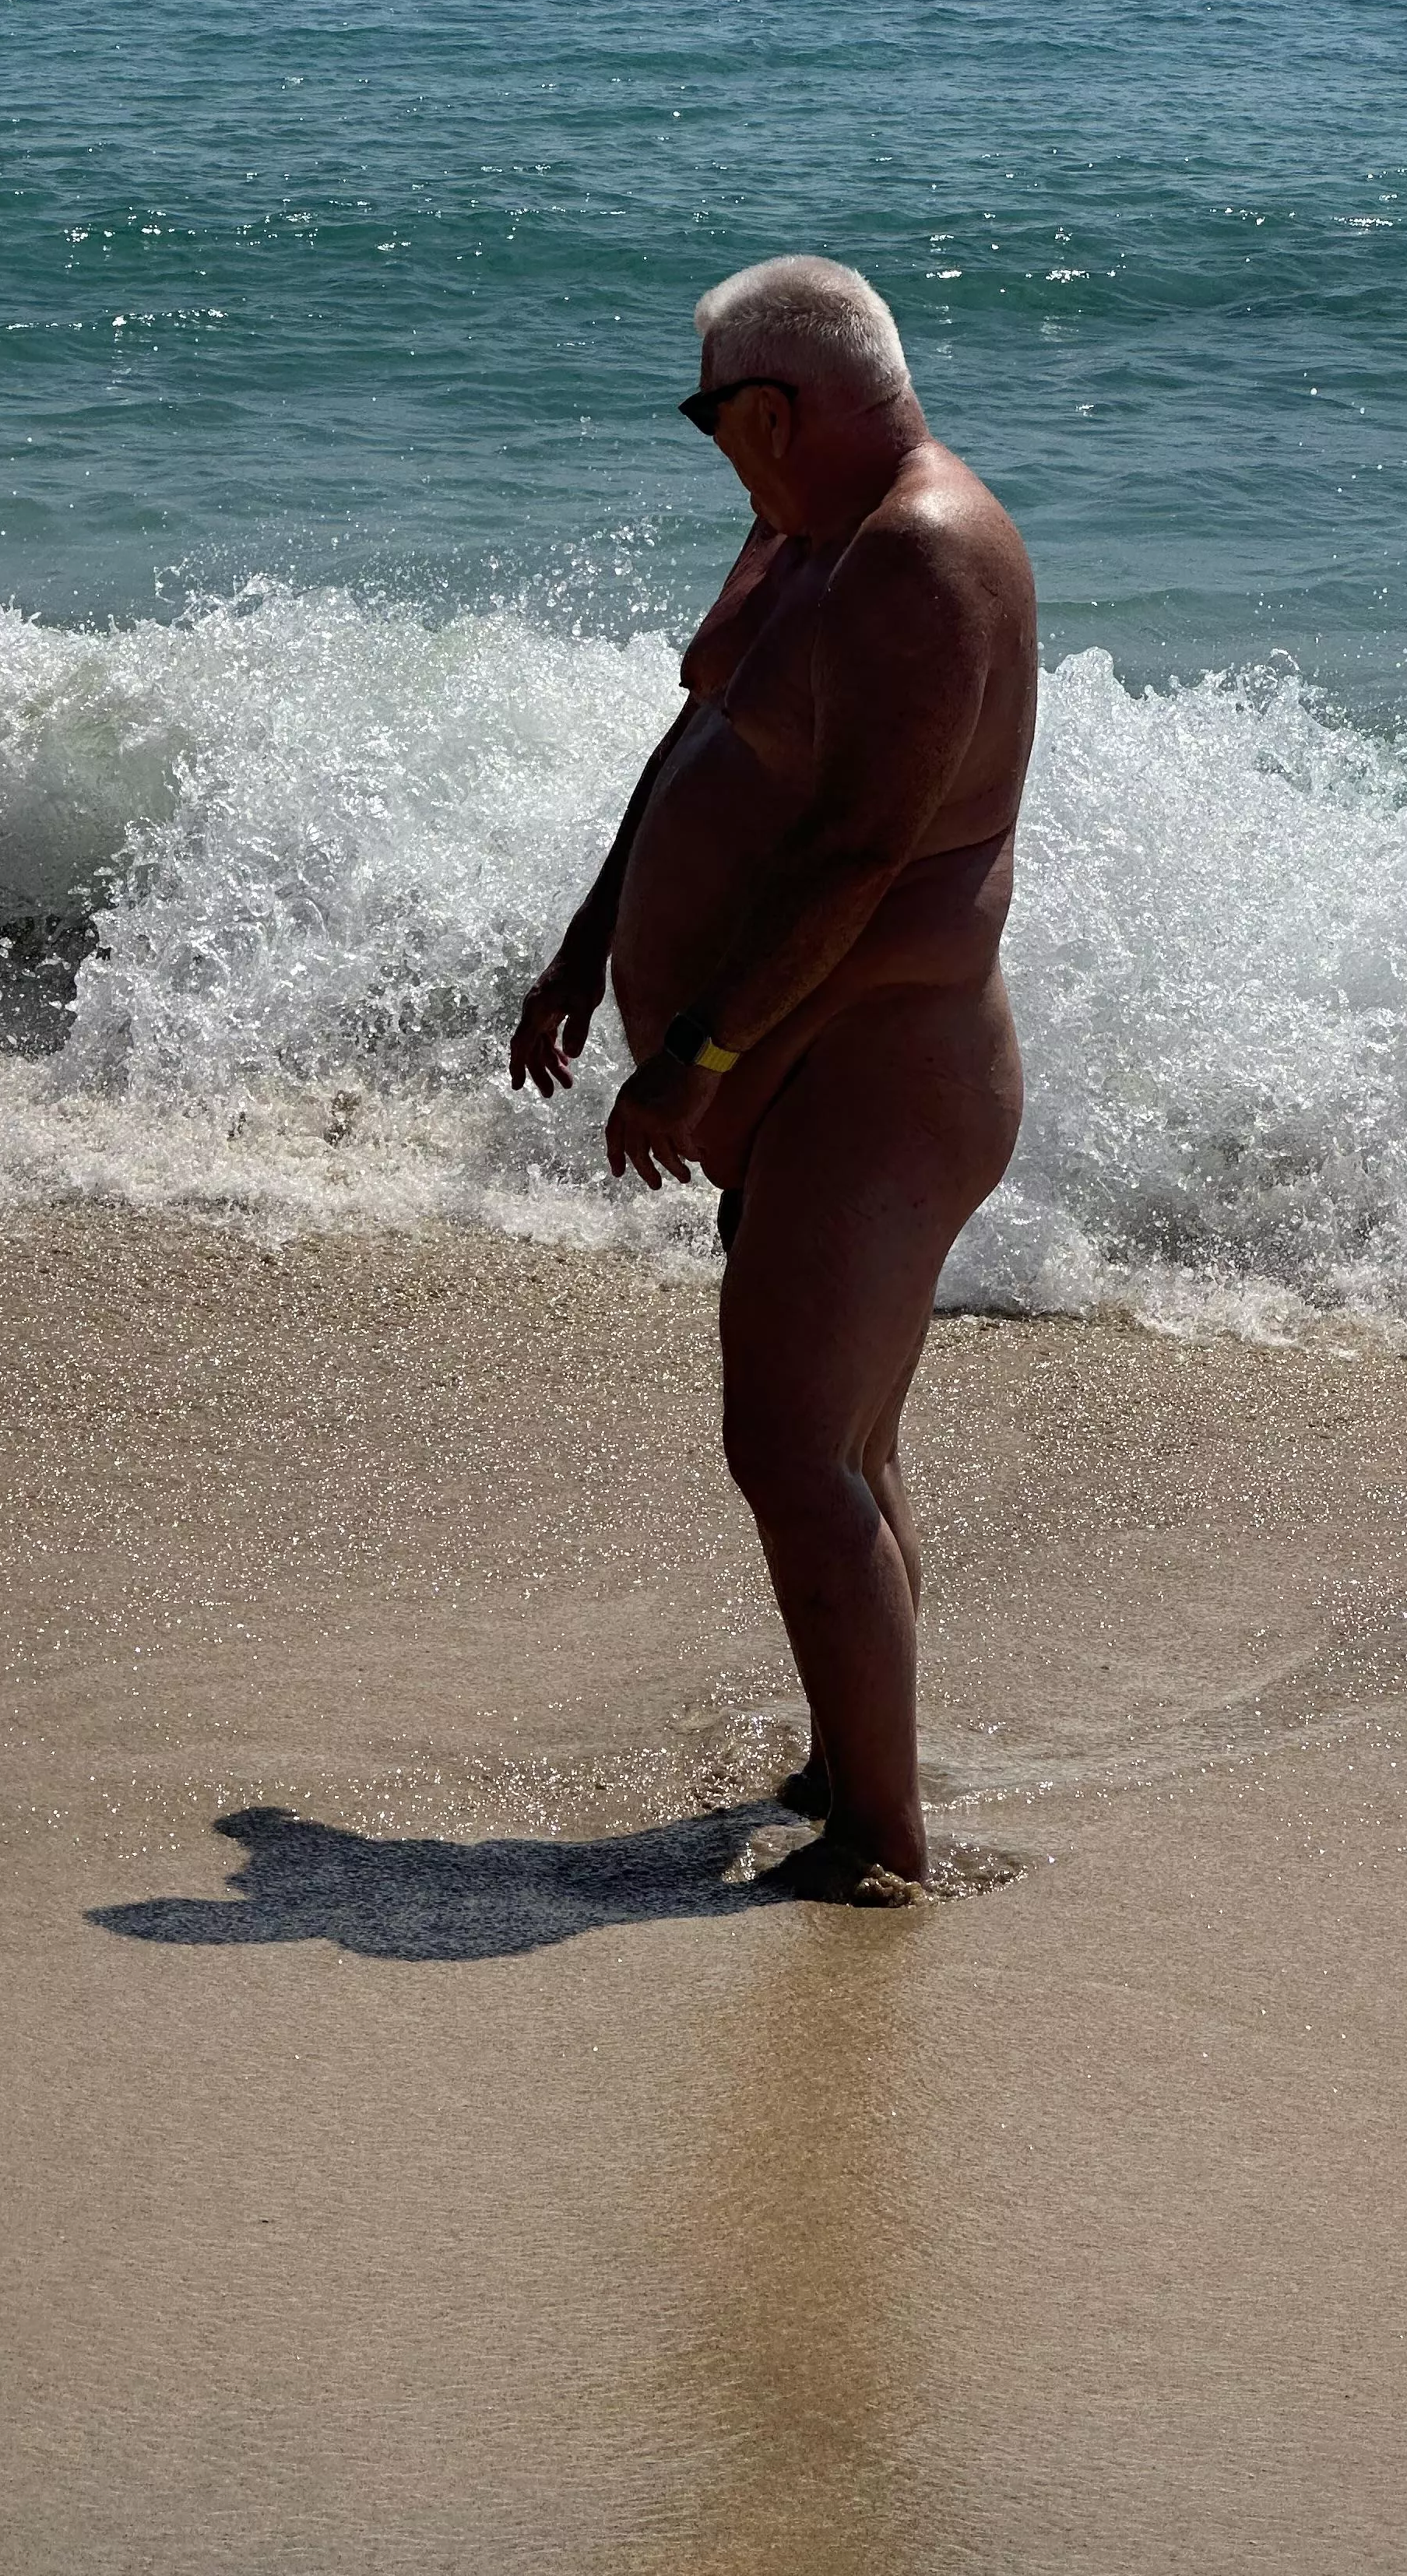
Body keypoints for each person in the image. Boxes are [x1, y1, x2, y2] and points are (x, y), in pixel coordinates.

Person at [508, 256, 1036, 1901]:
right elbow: (701, 748)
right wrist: (588, 947)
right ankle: (846, 1758)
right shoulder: (803, 534)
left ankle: (881, 1847)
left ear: (771, 407)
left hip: (881, 1069)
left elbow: (861, 854)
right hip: (795, 1065)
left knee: (794, 1449)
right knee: (844, 1447)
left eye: (712, 420)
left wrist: (697, 1055)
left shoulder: (918, 557)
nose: (712, 451)